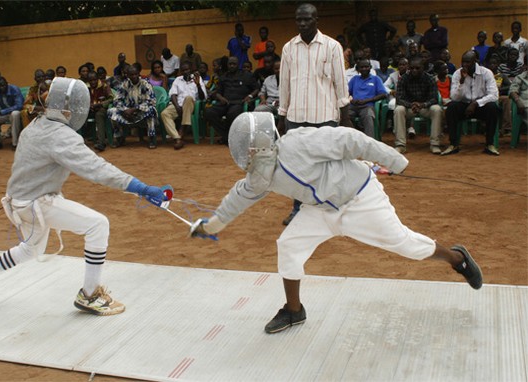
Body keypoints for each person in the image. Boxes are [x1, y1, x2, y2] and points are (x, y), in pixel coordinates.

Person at [190, 111, 483, 334]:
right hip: (319, 210)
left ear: (264, 143)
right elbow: (236, 199)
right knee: (289, 245)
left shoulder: (300, 142)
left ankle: (457, 258)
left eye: (251, 149)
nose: (248, 155)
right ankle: (294, 310)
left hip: (359, 198)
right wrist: (210, 226)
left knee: (404, 244)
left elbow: (350, 139)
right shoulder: (258, 177)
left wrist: (394, 160)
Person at [0, 77, 169, 316]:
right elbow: (97, 169)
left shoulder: (36, 125)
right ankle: (90, 295)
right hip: (36, 204)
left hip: (19, 202)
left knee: (29, 250)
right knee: (98, 225)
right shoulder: (59, 136)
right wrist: (142, 188)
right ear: (69, 109)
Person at [277, 2, 351, 226]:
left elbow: (341, 84)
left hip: (325, 117)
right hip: (296, 117)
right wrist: (282, 116)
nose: (302, 23)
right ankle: (298, 209)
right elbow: (285, 85)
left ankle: (328, 209)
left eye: (307, 19)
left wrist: (345, 118)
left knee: (327, 166)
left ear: (316, 20)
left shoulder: (332, 47)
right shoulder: (289, 48)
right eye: (299, 19)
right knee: (296, 166)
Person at [441, 51, 499, 156]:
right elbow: (454, 97)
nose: (464, 65)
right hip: (464, 105)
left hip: (481, 105)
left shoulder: (486, 73)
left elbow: (494, 95)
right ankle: (453, 144)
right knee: (452, 107)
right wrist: (462, 82)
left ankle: (490, 144)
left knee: (492, 107)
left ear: (475, 61)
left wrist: (476, 103)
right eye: (463, 62)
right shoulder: (457, 74)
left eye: (468, 62)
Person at [204, 56, 258, 145]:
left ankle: (227, 138)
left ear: (238, 65)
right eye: (230, 64)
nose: (232, 66)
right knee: (209, 112)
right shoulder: (223, 77)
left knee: (231, 114)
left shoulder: (246, 75)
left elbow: (256, 88)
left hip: (238, 103)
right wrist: (220, 98)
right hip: (225, 102)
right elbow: (217, 92)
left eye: (234, 64)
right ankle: (227, 136)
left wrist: (250, 96)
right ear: (227, 65)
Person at [393, 57, 443, 154]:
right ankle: (400, 145)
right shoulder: (403, 79)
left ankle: (434, 144)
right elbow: (399, 99)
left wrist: (422, 104)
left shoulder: (430, 78)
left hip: (425, 107)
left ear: (423, 68)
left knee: (437, 109)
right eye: (412, 68)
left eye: (417, 68)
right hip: (409, 108)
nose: (414, 70)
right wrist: (411, 104)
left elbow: (434, 99)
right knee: (398, 110)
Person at [108, 65, 158, 149]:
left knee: (151, 110)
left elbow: (152, 101)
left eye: (136, 74)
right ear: (127, 75)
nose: (134, 76)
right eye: (131, 74)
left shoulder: (145, 84)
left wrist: (135, 109)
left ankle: (151, 138)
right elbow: (116, 100)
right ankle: (119, 138)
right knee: (111, 111)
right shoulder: (124, 84)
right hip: (127, 114)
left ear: (139, 74)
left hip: (141, 113)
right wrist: (125, 110)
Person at [161, 62, 207, 150]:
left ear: (191, 70)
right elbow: (173, 94)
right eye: (183, 70)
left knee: (189, 98)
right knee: (164, 114)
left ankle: (182, 130)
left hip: (191, 106)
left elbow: (202, 97)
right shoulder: (178, 79)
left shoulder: (198, 79)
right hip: (178, 104)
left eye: (187, 69)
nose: (186, 72)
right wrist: (177, 107)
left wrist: (198, 85)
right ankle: (177, 138)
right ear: (181, 72)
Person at [348, 59, 388, 138]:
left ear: (370, 67)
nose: (364, 69)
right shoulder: (354, 79)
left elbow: (383, 94)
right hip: (354, 106)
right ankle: (350, 140)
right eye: (361, 67)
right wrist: (351, 99)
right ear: (358, 69)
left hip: (367, 106)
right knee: (344, 116)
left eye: (366, 67)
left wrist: (367, 100)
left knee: (368, 116)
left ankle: (369, 142)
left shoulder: (376, 79)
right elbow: (346, 92)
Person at [86, 71, 114, 152]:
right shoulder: (86, 88)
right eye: (90, 80)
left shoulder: (104, 86)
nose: (93, 82)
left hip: (102, 109)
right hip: (89, 109)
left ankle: (101, 143)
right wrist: (89, 105)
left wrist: (100, 104)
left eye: (94, 80)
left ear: (97, 79)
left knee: (99, 115)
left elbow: (111, 98)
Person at [488, 57, 512, 136]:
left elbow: (509, 86)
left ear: (498, 65)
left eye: (494, 63)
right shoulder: (486, 75)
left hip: (499, 96)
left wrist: (501, 89)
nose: (492, 65)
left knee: (507, 100)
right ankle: (486, 127)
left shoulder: (501, 76)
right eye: (490, 63)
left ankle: (506, 128)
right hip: (488, 97)